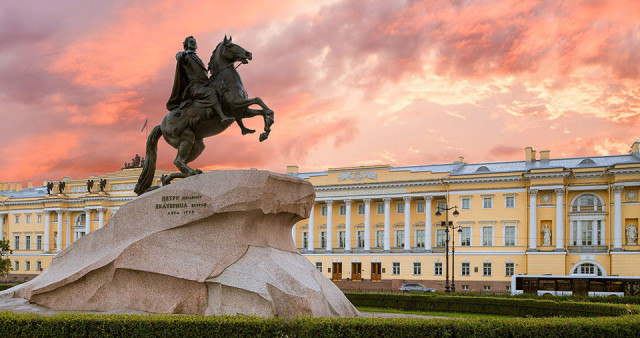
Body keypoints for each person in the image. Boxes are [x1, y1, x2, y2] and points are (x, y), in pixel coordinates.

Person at [167, 36, 233, 123]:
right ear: (186, 45)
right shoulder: (185, 56)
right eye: (191, 42)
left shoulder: (196, 58)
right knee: (210, 93)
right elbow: (179, 56)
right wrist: (180, 54)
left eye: (195, 42)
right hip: (195, 87)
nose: (194, 43)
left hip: (204, 84)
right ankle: (222, 116)